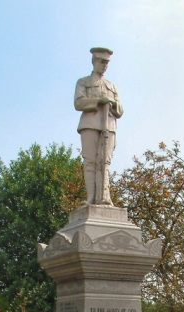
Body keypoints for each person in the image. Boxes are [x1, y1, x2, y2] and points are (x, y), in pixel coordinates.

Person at [74, 47, 123, 206]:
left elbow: (120, 111)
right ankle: (91, 198)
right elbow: (78, 103)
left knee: (105, 162)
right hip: (90, 124)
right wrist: (98, 101)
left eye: (107, 62)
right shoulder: (84, 82)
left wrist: (113, 104)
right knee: (90, 162)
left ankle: (105, 197)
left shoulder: (112, 87)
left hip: (109, 126)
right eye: (102, 62)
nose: (104, 65)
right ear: (94, 61)